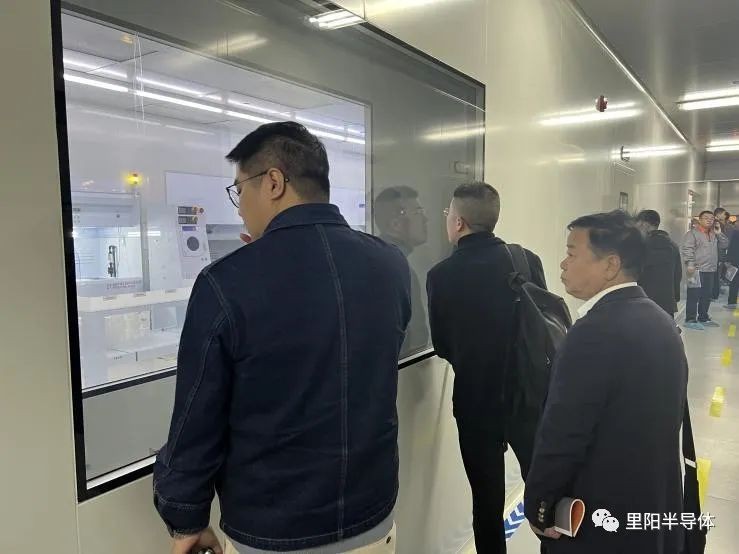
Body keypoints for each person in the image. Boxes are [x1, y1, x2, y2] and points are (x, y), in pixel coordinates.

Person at [153, 122, 411, 554]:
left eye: (239, 190)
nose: (239, 207)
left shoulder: (225, 283)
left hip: (273, 530)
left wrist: (185, 517)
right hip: (373, 518)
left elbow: (197, 417)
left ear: (273, 182)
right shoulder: (391, 265)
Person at [524, 211, 687, 554]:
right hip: (649, 504)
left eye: (572, 253)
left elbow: (564, 433)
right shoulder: (660, 322)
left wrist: (539, 505)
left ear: (611, 265)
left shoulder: (593, 333)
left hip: (599, 515)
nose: (563, 264)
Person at [426, 182, 546, 554]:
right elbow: (543, 327)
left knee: (486, 501)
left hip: (476, 403)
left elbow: (443, 346)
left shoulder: (441, 275)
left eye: (448, 213)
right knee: (546, 487)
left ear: (458, 222)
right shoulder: (525, 259)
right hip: (530, 395)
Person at [375, 186, 430, 357]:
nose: (426, 219)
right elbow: (414, 340)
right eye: (418, 212)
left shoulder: (380, 258)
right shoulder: (397, 269)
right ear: (395, 224)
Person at [681, 210, 729, 330]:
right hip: (695, 270)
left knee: (707, 295)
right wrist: (690, 264)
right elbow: (687, 249)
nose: (709, 220)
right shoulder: (692, 234)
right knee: (693, 295)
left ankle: (703, 317)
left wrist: (719, 233)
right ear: (700, 220)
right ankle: (690, 319)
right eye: (706, 218)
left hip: (710, 269)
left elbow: (725, 245)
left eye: (712, 219)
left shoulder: (714, 234)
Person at [634, 210, 681, 317]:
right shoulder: (673, 246)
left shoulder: (640, 247)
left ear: (644, 224)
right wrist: (675, 298)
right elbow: (677, 275)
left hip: (643, 302)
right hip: (667, 303)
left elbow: (633, 274)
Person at [712, 207, 730, 299]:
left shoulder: (718, 224)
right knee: (716, 276)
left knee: (715, 275)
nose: (725, 215)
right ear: (718, 214)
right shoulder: (717, 224)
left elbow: (724, 242)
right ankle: (714, 294)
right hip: (718, 253)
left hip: (717, 253)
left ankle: (714, 294)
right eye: (723, 213)